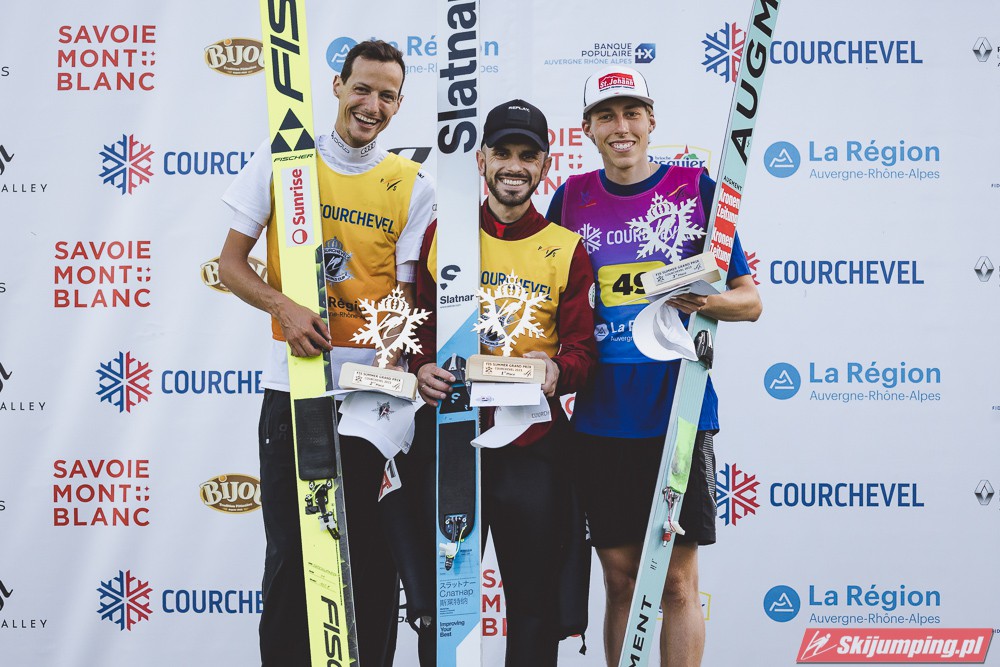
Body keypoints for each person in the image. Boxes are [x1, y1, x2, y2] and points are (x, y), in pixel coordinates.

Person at [217, 40, 435, 667]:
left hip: (371, 401)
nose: (372, 105)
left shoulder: (411, 184)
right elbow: (230, 265)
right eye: (361, 88)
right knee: (292, 554)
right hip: (295, 387)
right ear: (338, 87)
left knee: (371, 558)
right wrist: (284, 308)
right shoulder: (286, 159)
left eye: (387, 96)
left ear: (399, 105)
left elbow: (404, 295)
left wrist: (392, 365)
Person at [546, 66, 762, 667]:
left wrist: (696, 300)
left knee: (677, 583)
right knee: (620, 582)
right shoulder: (572, 198)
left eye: (632, 113)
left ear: (651, 121)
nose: (621, 126)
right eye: (607, 116)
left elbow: (749, 301)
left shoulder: (697, 189)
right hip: (601, 418)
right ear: (588, 129)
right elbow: (552, 298)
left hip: (679, 413)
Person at [410, 99, 597, 665]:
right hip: (451, 438)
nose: (514, 166)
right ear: (481, 159)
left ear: (545, 166)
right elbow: (418, 326)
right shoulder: (445, 235)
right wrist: (419, 368)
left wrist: (557, 371)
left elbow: (582, 350)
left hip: (530, 446)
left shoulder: (565, 248)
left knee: (534, 606)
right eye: (503, 153)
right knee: (444, 604)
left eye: (528, 155)